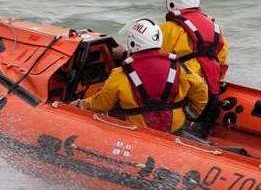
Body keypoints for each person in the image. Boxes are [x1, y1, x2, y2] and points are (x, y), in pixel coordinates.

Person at [73, 18, 208, 134]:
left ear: (133, 43)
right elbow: (201, 89)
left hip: (137, 132)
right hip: (175, 129)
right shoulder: (179, 68)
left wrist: (80, 105)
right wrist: (194, 112)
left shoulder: (121, 74)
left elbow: (101, 103)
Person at [157, 0, 229, 137]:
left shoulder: (168, 30)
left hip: (186, 97)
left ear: (171, 4)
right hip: (211, 97)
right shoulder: (215, 28)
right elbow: (222, 64)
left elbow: (150, 60)